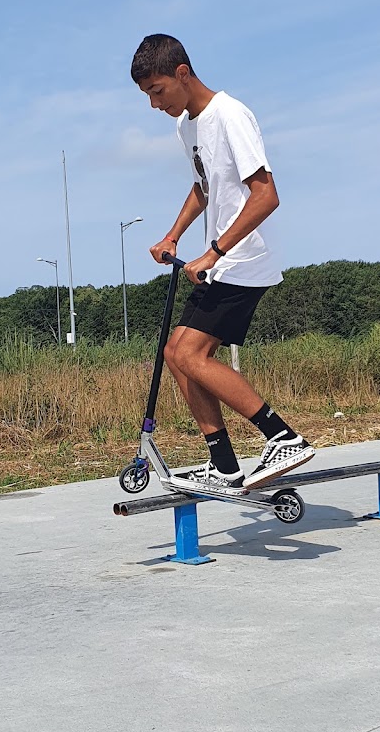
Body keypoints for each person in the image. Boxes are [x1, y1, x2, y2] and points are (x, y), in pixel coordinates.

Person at [131, 33, 315, 496]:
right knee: (177, 355)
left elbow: (266, 194)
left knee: (190, 354)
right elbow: (204, 188)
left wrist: (215, 250)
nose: (155, 106)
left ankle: (283, 438)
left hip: (242, 259)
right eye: (147, 97)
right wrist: (173, 235)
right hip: (221, 262)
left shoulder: (230, 114)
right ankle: (225, 464)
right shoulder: (186, 126)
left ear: (182, 73)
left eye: (157, 92)